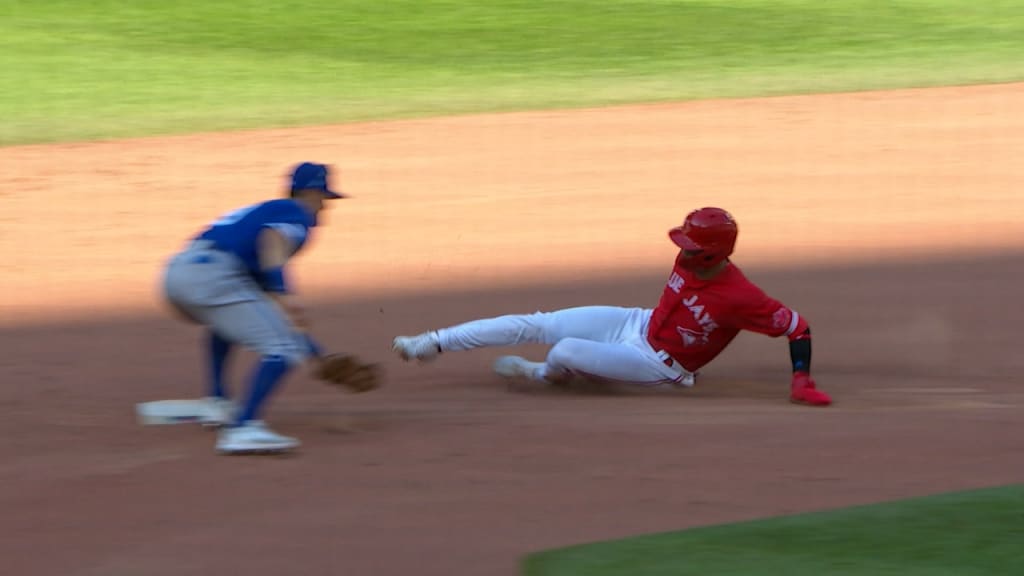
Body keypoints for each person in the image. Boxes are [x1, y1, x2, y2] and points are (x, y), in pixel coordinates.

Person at [392, 207, 831, 406]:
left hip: (660, 366)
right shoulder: (687, 257)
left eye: (692, 245)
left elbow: (797, 326)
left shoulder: (742, 297)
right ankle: (432, 342)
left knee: (561, 351)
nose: (682, 249)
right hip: (634, 323)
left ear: (714, 253)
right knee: (539, 324)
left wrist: (801, 380)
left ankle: (541, 375)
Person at [161, 161, 348, 454]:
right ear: (310, 193)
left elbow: (263, 303)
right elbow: (272, 240)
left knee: (229, 321)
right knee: (284, 350)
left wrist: (317, 354)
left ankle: (218, 403)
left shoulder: (262, 211)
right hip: (213, 277)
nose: (325, 208)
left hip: (178, 275)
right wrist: (286, 294)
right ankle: (243, 428)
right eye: (324, 198)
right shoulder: (297, 214)